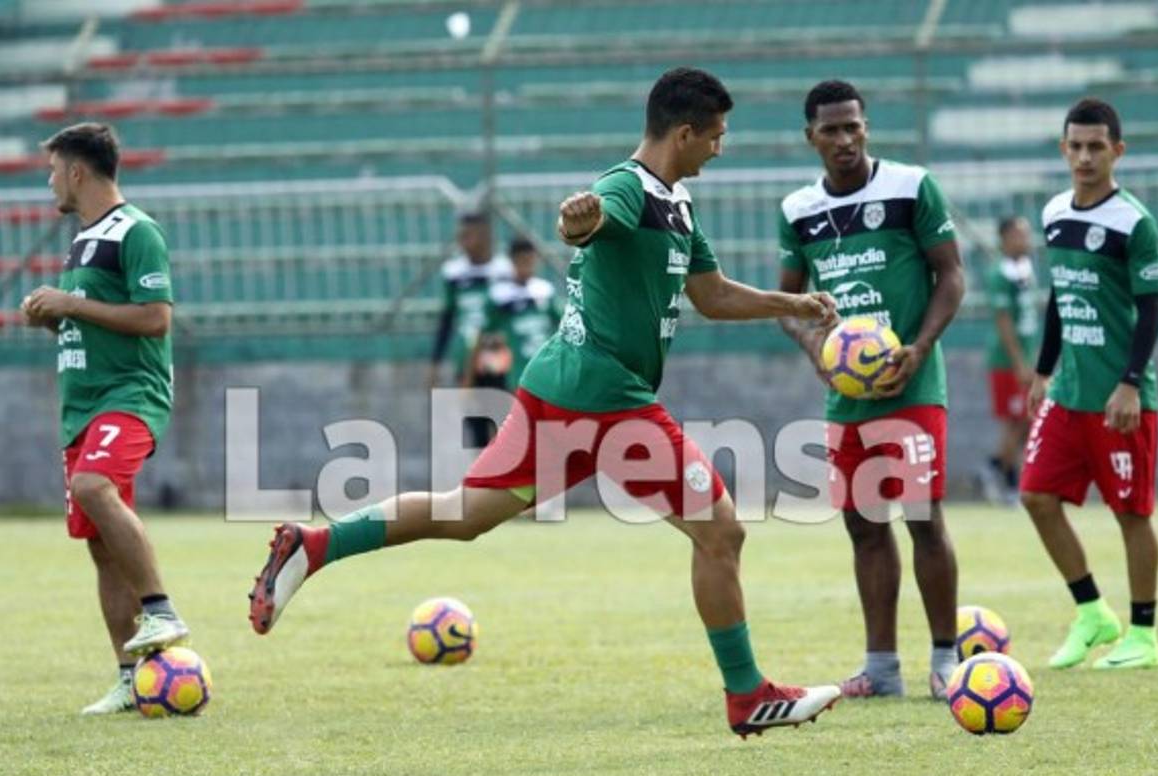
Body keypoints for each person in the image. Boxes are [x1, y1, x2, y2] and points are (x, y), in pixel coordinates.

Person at [248, 67, 842, 737]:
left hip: (563, 387)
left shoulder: (675, 205)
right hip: (605, 395)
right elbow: (583, 219)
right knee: (721, 530)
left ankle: (314, 544)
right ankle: (747, 695)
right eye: (716, 136)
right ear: (684, 133)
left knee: (466, 514)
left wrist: (789, 302)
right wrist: (574, 220)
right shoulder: (627, 187)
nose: (720, 148)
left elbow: (712, 294)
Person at [777, 80, 965, 699]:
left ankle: (945, 661)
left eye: (853, 127)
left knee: (922, 518)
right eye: (831, 130)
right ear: (811, 137)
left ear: (867, 128)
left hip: (911, 388)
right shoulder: (798, 210)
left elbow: (952, 275)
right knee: (862, 525)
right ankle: (881, 669)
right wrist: (816, 351)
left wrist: (920, 348)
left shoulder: (912, 187)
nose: (845, 140)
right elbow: (787, 303)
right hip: (848, 396)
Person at [20, 123, 189, 714]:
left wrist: (70, 302)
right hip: (82, 406)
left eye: (52, 170)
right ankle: (129, 677)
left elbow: (154, 319)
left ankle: (162, 610)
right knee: (99, 545)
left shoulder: (136, 231)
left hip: (131, 394)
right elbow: (92, 320)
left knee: (95, 487)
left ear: (76, 172)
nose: (48, 183)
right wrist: (53, 317)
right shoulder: (82, 241)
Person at [1021, 98, 1158, 670]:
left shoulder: (1135, 222)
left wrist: (1130, 383)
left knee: (1131, 515)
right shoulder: (1055, 211)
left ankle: (1145, 635)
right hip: (1069, 393)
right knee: (1034, 495)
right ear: (1063, 149)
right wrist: (1042, 369)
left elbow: (1151, 311)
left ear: (1116, 151)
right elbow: (1059, 296)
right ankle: (1092, 612)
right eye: (1075, 146)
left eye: (1095, 147)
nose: (1084, 157)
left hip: (1120, 400)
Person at [428, 211, 514, 447]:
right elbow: (447, 317)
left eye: (469, 236)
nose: (463, 242)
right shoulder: (454, 273)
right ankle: (484, 479)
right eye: (461, 236)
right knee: (475, 424)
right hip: (466, 358)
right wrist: (435, 362)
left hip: (498, 358)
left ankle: (503, 479)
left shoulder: (504, 270)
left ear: (485, 236)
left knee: (503, 423)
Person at [981, 216, 1039, 505]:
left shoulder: (1023, 269)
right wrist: (1019, 363)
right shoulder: (999, 274)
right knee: (1016, 421)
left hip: (1026, 359)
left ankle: (998, 469)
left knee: (1027, 421)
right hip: (1007, 362)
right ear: (1004, 239)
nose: (1025, 241)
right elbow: (1003, 320)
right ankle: (1003, 476)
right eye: (1019, 236)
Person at [463, 238, 561, 392]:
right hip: (518, 376)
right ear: (512, 261)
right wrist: (469, 379)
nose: (527, 266)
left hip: (548, 374)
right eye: (522, 260)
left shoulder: (544, 291)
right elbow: (482, 336)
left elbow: (562, 327)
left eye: (530, 260)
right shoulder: (501, 297)